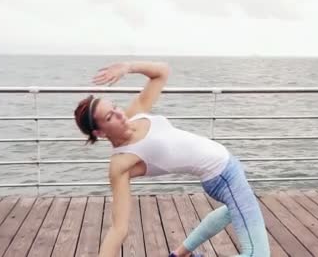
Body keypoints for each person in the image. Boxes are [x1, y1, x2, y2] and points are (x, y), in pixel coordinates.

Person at [74, 61, 270, 257]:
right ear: (99, 132)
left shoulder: (133, 115)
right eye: (110, 117)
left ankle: (179, 254)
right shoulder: (122, 163)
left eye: (115, 106)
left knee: (233, 210)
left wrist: (127, 67)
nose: (119, 113)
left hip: (226, 167)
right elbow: (118, 229)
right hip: (223, 177)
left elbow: (161, 73)